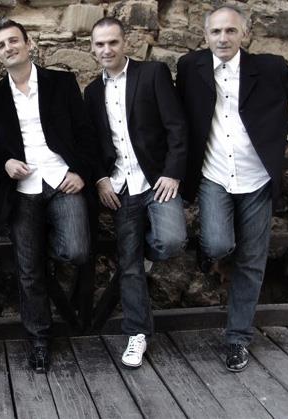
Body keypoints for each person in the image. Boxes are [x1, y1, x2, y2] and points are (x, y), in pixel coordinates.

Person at [177, 4, 288, 372]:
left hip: (257, 177)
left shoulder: (271, 68)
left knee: (252, 262)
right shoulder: (190, 67)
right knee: (217, 244)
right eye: (216, 32)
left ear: (245, 33)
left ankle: (237, 339)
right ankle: (212, 250)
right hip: (214, 174)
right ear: (205, 35)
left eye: (230, 31)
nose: (223, 38)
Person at [0, 18, 96, 373]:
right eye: (1, 45)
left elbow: (86, 132)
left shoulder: (61, 83)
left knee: (76, 251)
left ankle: (40, 243)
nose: (8, 48)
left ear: (28, 43)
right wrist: (6, 163)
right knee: (28, 271)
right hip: (22, 189)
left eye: (13, 40)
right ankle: (39, 340)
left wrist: (80, 173)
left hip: (62, 180)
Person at [84, 17, 188, 368]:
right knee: (128, 264)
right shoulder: (92, 92)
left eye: (112, 42)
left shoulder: (153, 73)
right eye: (100, 44)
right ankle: (137, 333)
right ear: (92, 48)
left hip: (157, 181)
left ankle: (141, 252)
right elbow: (93, 144)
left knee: (171, 241)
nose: (106, 49)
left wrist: (172, 172)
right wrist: (101, 179)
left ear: (124, 42)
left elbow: (177, 126)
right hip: (121, 188)